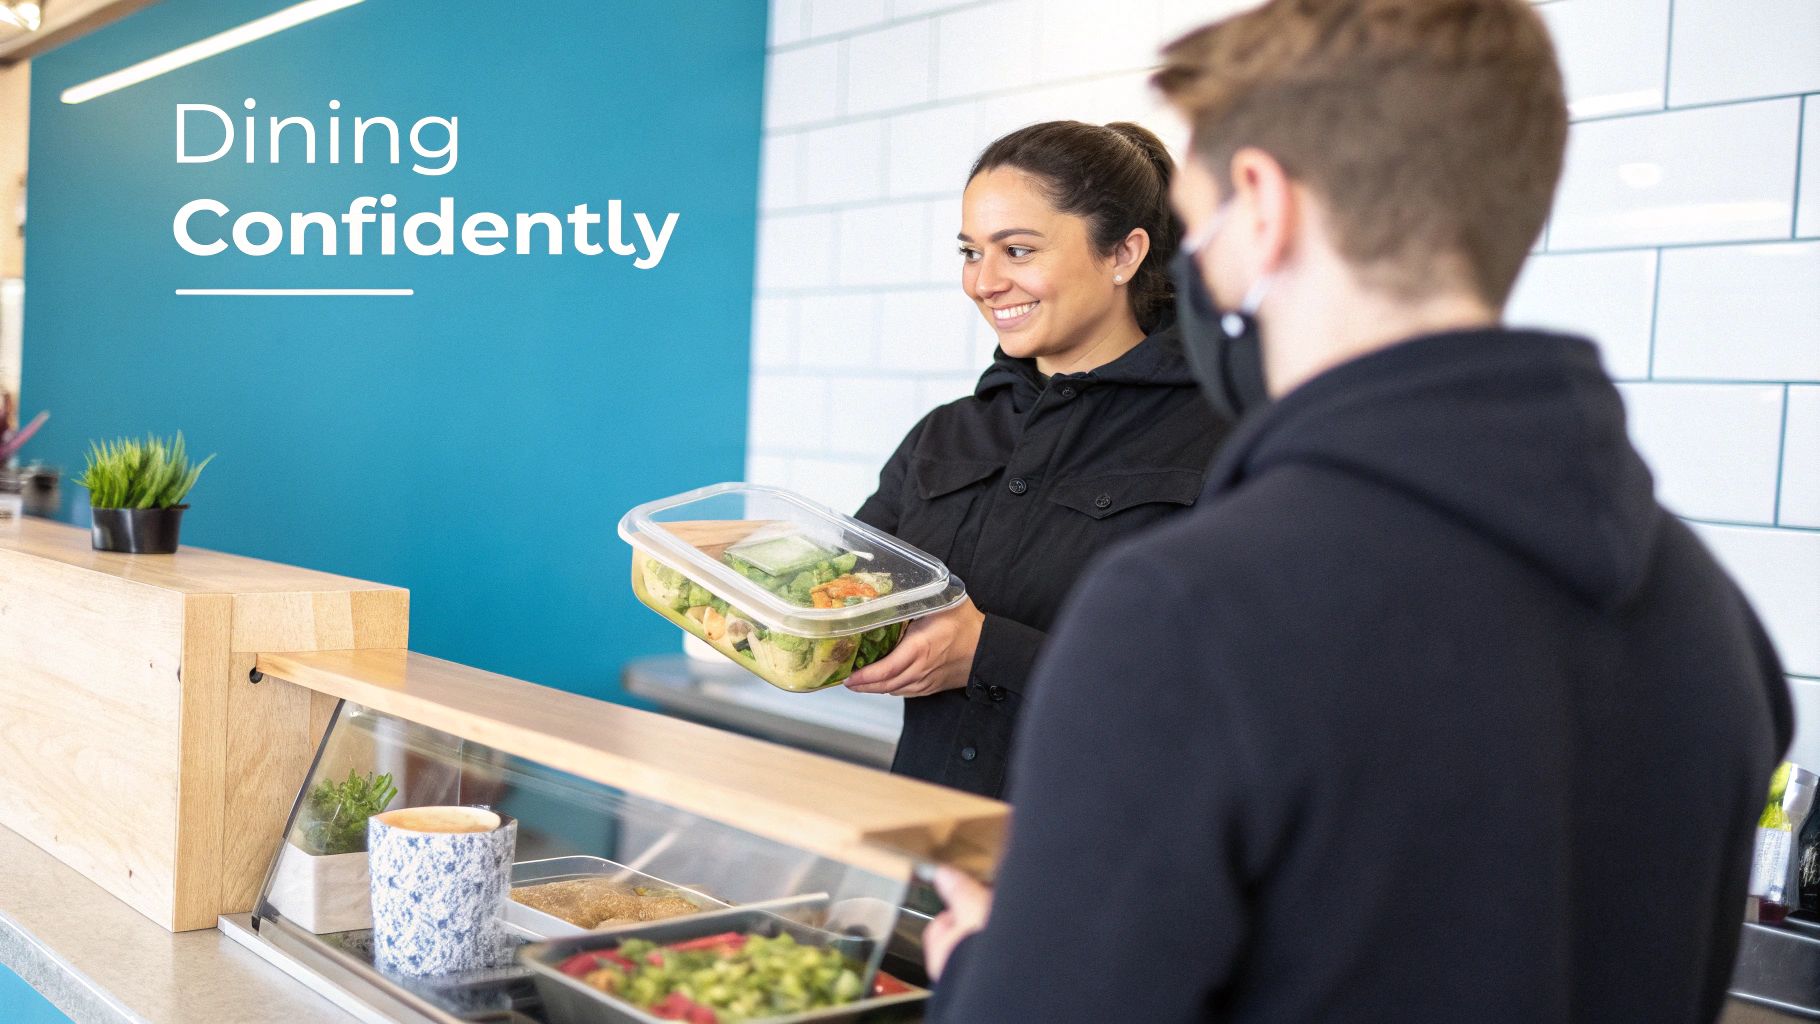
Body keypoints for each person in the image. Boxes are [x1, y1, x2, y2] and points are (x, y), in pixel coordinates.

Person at [921, 1, 1793, 1020]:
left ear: (1261, 205)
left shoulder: (1189, 611)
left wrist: (986, 964)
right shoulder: (1707, 609)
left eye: (1196, 222)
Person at [847, 121, 1233, 799]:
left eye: (1017, 250)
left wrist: (990, 655)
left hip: (1099, 872)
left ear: (1124, 254)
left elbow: (1236, 688)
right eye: (970, 251)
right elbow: (847, 598)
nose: (983, 282)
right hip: (926, 857)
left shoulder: (1222, 438)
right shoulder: (945, 436)